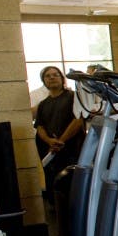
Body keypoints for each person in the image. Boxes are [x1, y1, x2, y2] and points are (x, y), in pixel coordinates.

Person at [34, 65, 85, 204]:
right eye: (47, 76)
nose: (51, 77)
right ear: (44, 81)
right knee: (53, 181)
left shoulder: (73, 97)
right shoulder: (43, 104)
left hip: (71, 149)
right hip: (51, 151)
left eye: (55, 74)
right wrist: (50, 141)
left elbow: (78, 120)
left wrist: (61, 141)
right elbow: (40, 126)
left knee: (71, 183)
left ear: (62, 78)